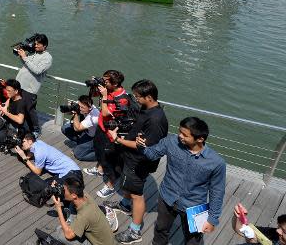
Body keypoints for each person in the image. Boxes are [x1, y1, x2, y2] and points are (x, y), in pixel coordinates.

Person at [137, 117, 226, 245]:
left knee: (193, 241)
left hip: (194, 207)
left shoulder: (217, 163)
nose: (180, 136)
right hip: (167, 198)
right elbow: (152, 154)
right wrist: (142, 147)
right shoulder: (171, 142)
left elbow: (217, 192)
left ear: (200, 139)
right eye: (180, 132)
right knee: (161, 229)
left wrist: (212, 219)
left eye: (185, 135)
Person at [103, 80, 169, 244]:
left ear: (149, 97)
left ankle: (135, 231)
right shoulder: (148, 109)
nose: (136, 99)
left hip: (139, 161)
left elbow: (145, 148)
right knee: (128, 186)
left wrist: (117, 139)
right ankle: (125, 205)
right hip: (131, 158)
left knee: (137, 195)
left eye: (138, 96)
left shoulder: (155, 120)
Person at [89, 70, 128, 198]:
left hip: (111, 134)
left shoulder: (121, 99)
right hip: (102, 127)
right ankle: (100, 170)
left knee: (111, 161)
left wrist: (105, 96)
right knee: (98, 150)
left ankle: (111, 186)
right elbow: (94, 96)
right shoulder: (109, 89)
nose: (104, 83)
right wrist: (96, 85)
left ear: (115, 83)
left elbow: (105, 113)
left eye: (106, 81)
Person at [49, 176, 118, 245]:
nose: (62, 192)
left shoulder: (83, 215)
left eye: (64, 191)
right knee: (72, 206)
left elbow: (68, 235)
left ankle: (73, 226)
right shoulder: (84, 195)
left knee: (60, 233)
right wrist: (58, 186)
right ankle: (74, 226)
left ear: (73, 195)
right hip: (107, 240)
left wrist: (58, 207)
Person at [14, 33, 52, 135]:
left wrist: (25, 57)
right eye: (35, 43)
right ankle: (22, 125)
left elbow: (37, 70)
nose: (35, 45)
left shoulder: (47, 58)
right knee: (20, 106)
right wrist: (21, 55)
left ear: (44, 46)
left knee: (30, 109)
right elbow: (26, 64)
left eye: (38, 44)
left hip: (30, 88)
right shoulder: (33, 53)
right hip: (20, 84)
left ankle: (36, 130)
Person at [0, 79, 32, 148]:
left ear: (16, 91)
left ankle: (11, 142)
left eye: (9, 91)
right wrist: (5, 105)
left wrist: (6, 112)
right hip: (4, 123)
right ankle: (0, 134)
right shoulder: (12, 97)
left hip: (12, 129)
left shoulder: (21, 104)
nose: (7, 92)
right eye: (6, 90)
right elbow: (8, 100)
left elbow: (20, 120)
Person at [61, 95, 100, 162]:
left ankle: (102, 155)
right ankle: (81, 143)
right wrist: (70, 108)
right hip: (85, 131)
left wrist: (75, 113)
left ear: (90, 107)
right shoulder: (80, 104)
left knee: (78, 155)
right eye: (79, 106)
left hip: (93, 138)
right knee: (65, 128)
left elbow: (77, 128)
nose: (80, 108)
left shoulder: (94, 117)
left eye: (82, 108)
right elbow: (68, 113)